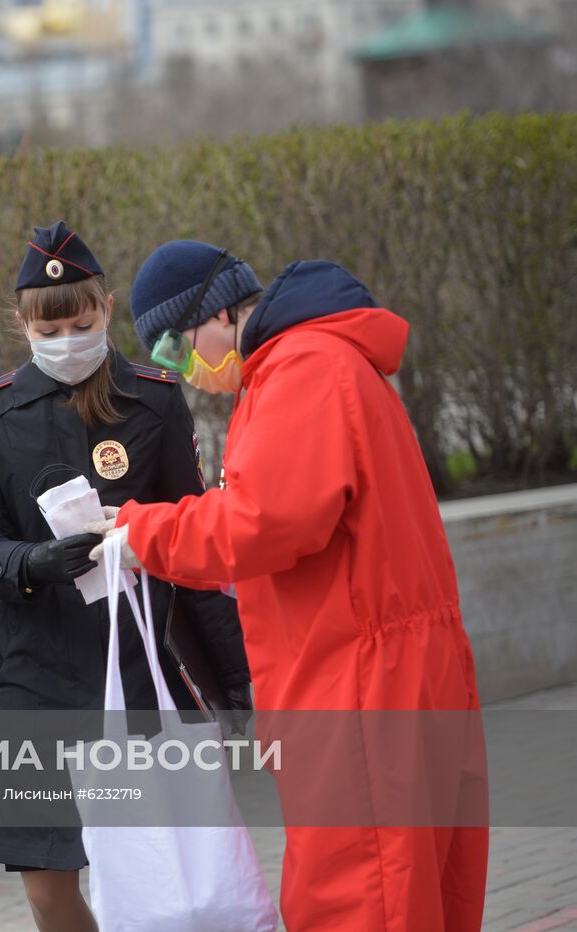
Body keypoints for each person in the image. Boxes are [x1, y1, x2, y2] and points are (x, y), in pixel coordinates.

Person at [100, 241, 488, 931]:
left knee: (360, 899)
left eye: (174, 348)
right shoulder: (323, 361)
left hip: (359, 682)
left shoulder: (301, 370)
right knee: (418, 891)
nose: (184, 370)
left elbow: (263, 521)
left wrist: (140, 536)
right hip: (392, 664)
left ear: (216, 315)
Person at [0, 223, 252, 932]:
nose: (66, 340)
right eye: (47, 327)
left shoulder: (154, 399)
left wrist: (234, 676)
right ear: (22, 323)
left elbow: (202, 546)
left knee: (156, 876)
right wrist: (31, 563)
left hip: (134, 668)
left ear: (108, 310)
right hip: (30, 676)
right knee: (48, 884)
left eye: (81, 323)